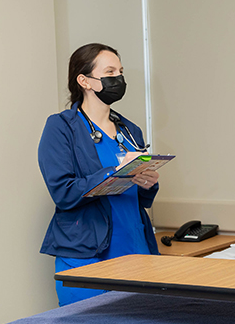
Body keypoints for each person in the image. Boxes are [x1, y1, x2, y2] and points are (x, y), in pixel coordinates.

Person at [38, 43, 160, 306]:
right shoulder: (61, 128)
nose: (118, 78)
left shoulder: (130, 131)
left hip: (135, 248)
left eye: (120, 70)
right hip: (87, 254)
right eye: (109, 71)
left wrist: (148, 184)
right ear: (85, 81)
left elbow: (139, 199)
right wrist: (115, 172)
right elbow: (64, 193)